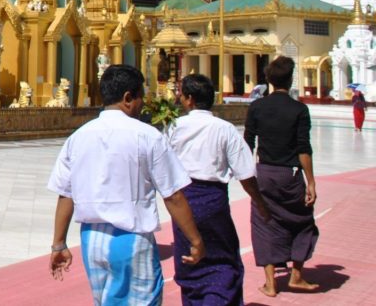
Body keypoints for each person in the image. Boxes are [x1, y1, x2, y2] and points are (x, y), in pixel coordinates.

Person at [48, 64, 204, 305]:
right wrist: (195, 239)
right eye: (141, 97)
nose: (143, 105)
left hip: (92, 241)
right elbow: (173, 196)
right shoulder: (147, 136)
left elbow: (66, 194)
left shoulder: (78, 137)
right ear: (128, 98)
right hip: (131, 239)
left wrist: (58, 243)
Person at [168, 74, 271, 305]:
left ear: (189, 100)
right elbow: (246, 174)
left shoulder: (173, 128)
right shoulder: (225, 129)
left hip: (182, 203)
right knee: (222, 260)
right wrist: (261, 204)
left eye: (182, 94)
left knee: (190, 261)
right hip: (213, 202)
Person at [244, 56, 319, 298]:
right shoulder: (299, 109)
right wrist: (311, 181)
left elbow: (248, 142)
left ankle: (270, 283)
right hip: (290, 174)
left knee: (264, 224)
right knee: (302, 221)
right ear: (291, 79)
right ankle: (296, 275)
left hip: (264, 172)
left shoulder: (256, 107)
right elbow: (303, 148)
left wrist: (247, 175)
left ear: (269, 80)